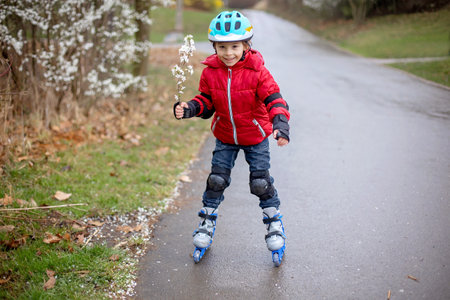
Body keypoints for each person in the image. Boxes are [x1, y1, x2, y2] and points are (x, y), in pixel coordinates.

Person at [173, 11, 290, 265]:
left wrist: (280, 124)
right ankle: (206, 222)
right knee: (216, 179)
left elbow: (275, 99)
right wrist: (190, 108)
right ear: (214, 47)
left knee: (260, 182)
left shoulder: (258, 71)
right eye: (222, 47)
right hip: (225, 135)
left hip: (255, 135)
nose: (228, 53)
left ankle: (274, 223)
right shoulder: (210, 72)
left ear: (246, 45)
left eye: (235, 46)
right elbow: (206, 101)